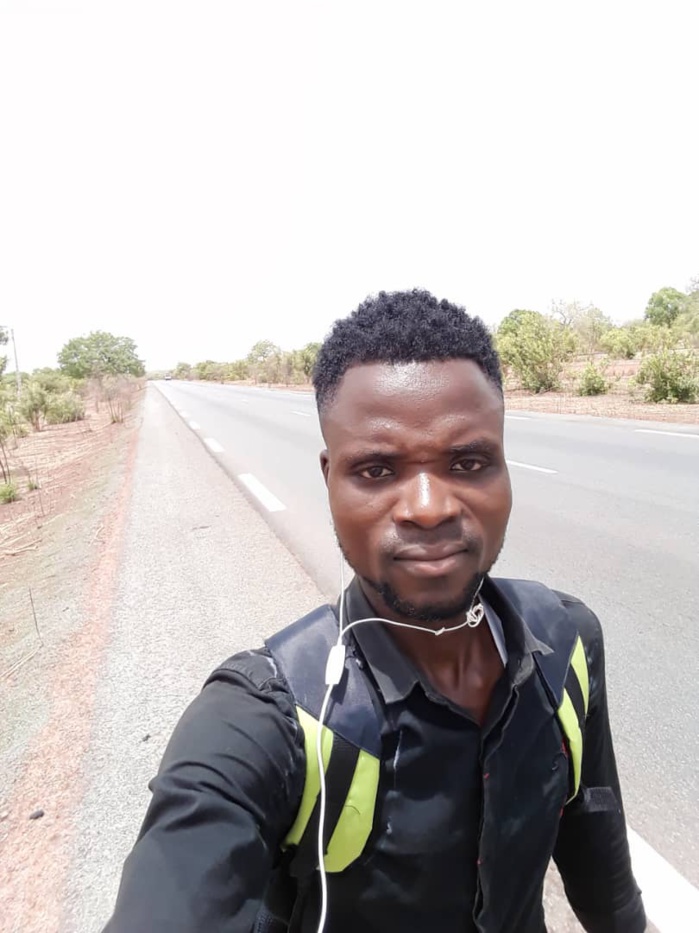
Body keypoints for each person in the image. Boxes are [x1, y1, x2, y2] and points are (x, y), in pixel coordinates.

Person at [105, 289, 646, 933]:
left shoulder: (567, 640)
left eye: (468, 462)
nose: (428, 507)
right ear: (330, 478)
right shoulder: (270, 716)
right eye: (378, 470)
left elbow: (595, 844)